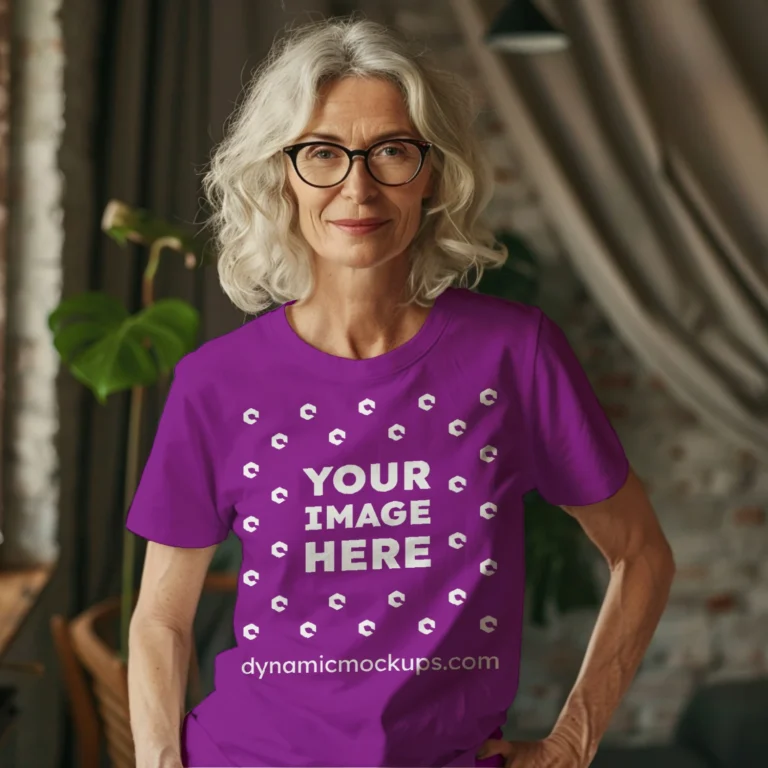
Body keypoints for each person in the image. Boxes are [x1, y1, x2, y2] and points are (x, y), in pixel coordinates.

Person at [125, 14, 675, 768]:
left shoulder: (513, 355)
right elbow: (161, 619)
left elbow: (641, 553)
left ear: (434, 174)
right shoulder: (216, 383)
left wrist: (575, 740)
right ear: (282, 175)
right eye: (322, 152)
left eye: (390, 151)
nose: (357, 186)